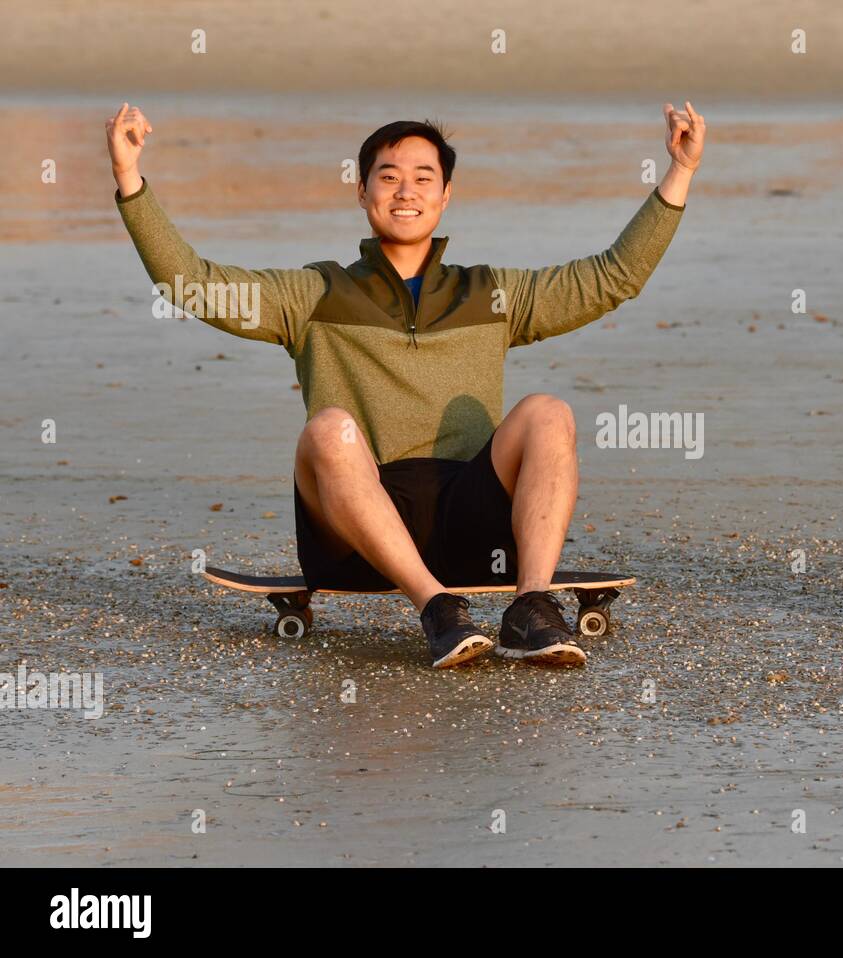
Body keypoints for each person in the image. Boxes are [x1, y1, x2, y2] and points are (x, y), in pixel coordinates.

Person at [107, 101, 705, 667]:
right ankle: (437, 608)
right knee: (329, 429)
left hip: (473, 529)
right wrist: (129, 177)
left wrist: (679, 171)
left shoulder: (490, 293)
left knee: (548, 411)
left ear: (446, 194)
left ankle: (529, 606)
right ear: (361, 190)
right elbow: (192, 283)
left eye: (423, 177)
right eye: (388, 176)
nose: (406, 190)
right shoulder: (314, 294)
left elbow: (612, 278)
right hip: (358, 538)